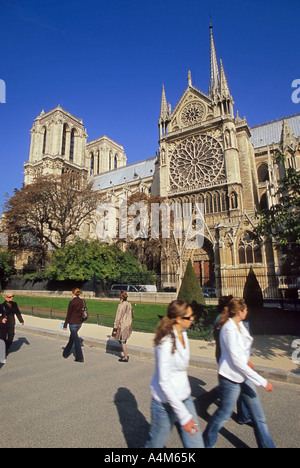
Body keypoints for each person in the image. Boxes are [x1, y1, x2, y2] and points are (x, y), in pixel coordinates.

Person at [203, 298, 275, 448]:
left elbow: (242, 350)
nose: (248, 312)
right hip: (230, 379)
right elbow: (236, 360)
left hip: (244, 376)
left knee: (259, 418)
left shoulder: (240, 325)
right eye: (246, 310)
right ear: (239, 312)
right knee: (222, 415)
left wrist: (247, 358)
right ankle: (204, 443)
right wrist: (262, 381)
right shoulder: (228, 329)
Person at [145, 300, 204, 448]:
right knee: (156, 444)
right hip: (165, 402)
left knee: (196, 444)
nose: (192, 319)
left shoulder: (183, 333)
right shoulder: (165, 342)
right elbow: (164, 382)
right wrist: (184, 417)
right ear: (178, 319)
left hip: (185, 397)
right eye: (189, 317)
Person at [62, 288, 85, 363]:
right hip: (79, 322)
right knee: (72, 338)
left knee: (75, 340)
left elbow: (69, 314)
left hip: (73, 323)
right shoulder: (82, 301)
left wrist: (65, 325)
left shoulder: (72, 302)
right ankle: (65, 352)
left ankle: (79, 357)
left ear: (73, 294)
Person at [112, 290, 134, 362]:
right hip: (128, 323)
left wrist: (115, 327)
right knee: (123, 340)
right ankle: (125, 354)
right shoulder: (129, 304)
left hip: (123, 324)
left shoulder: (121, 305)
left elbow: (118, 317)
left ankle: (125, 356)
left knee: (122, 341)